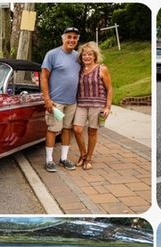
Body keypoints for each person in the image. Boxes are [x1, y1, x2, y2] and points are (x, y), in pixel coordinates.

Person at [41, 26, 81, 173]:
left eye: (75, 38)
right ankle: (49, 160)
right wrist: (47, 99)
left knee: (67, 129)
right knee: (53, 129)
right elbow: (44, 77)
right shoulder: (52, 54)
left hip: (72, 101)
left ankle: (63, 158)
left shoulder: (78, 57)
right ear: (63, 38)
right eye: (69, 37)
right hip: (56, 102)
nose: (72, 40)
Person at [73, 41, 113, 171]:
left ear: (94, 56)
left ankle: (89, 158)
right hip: (82, 103)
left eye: (90, 54)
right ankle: (83, 154)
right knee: (77, 129)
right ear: (81, 57)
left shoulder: (102, 69)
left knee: (92, 131)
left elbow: (110, 88)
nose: (87, 57)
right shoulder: (79, 69)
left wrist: (107, 107)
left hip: (97, 104)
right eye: (84, 55)